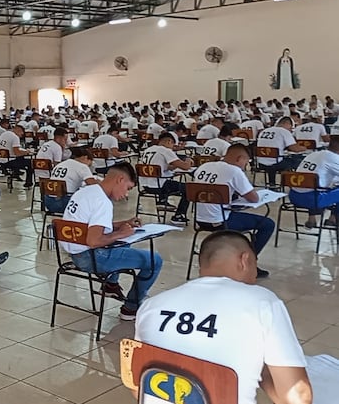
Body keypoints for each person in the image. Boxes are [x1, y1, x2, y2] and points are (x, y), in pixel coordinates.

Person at [135, 231, 312, 404]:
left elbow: (138, 383)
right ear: (245, 260)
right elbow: (298, 398)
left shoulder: (151, 306)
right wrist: (263, 370)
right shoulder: (262, 303)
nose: (255, 274)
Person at [60, 162, 163, 320]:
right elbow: (94, 240)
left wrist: (121, 225)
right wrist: (119, 234)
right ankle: (131, 308)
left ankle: (110, 284)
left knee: (125, 239)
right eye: (128, 188)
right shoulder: (103, 202)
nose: (126, 195)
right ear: (120, 179)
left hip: (74, 253)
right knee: (155, 260)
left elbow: (92, 227)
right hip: (91, 258)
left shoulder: (86, 191)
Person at [193, 143, 274, 278]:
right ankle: (249, 262)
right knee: (267, 224)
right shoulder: (234, 171)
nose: (245, 166)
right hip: (221, 221)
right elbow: (253, 198)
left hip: (201, 219)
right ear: (239, 158)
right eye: (246, 162)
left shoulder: (204, 166)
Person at [139, 133, 194, 225]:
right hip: (160, 186)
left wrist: (171, 167)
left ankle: (162, 201)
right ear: (169, 141)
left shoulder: (149, 149)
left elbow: (159, 167)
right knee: (188, 189)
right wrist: (188, 159)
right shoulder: (165, 151)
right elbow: (185, 167)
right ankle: (178, 216)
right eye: (173, 145)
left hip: (145, 185)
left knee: (168, 181)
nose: (172, 148)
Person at [289, 135, 339, 228]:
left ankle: (312, 219)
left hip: (293, 196)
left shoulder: (313, 154)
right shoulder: (334, 158)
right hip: (313, 200)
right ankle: (334, 218)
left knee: (313, 186)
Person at [257, 116, 307, 187]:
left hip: (261, 162)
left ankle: (272, 184)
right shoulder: (284, 131)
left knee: (275, 160)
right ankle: (292, 184)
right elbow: (295, 148)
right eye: (290, 127)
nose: (290, 130)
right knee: (297, 161)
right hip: (276, 163)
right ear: (287, 123)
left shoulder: (264, 131)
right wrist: (304, 148)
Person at [45, 147, 96, 213]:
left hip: (48, 202)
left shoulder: (60, 165)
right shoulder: (82, 166)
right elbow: (93, 185)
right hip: (64, 203)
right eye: (89, 164)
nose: (89, 167)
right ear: (85, 158)